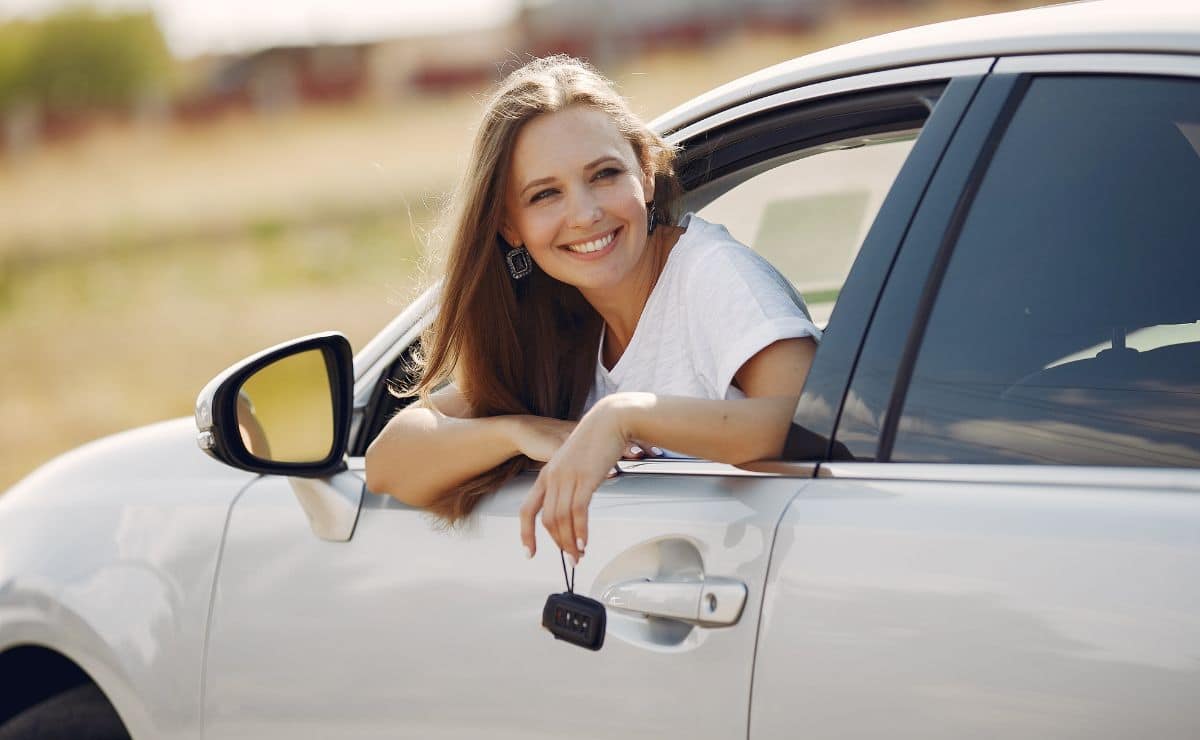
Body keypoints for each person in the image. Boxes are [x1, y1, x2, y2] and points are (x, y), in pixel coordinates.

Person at [366, 56, 819, 566]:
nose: (584, 213)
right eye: (545, 195)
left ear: (645, 175)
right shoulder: (558, 322)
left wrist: (622, 417)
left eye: (604, 175)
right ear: (509, 226)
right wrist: (518, 430)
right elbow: (388, 463)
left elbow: (817, 425)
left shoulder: (713, 274)